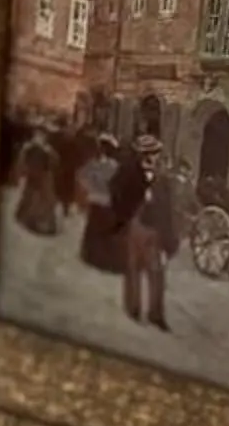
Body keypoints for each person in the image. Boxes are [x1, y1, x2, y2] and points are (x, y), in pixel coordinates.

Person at [122, 134, 180, 329]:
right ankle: (133, 308)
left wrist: (169, 239)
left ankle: (156, 314)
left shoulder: (163, 180)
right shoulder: (131, 175)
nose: (153, 157)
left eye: (155, 153)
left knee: (157, 272)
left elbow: (168, 210)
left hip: (154, 231)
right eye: (149, 153)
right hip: (135, 227)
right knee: (133, 269)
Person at [77, 136, 137, 276]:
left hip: (97, 202)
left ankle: (91, 257)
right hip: (110, 204)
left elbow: (81, 176)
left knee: (94, 231)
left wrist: (91, 188)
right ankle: (106, 261)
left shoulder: (95, 164)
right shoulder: (117, 167)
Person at [11, 129, 60, 236]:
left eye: (42, 135)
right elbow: (22, 161)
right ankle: (29, 218)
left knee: (44, 199)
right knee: (33, 197)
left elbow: (54, 162)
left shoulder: (46, 149)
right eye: (39, 135)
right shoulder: (31, 147)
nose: (40, 138)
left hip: (43, 175)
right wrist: (22, 171)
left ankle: (41, 222)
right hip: (36, 175)